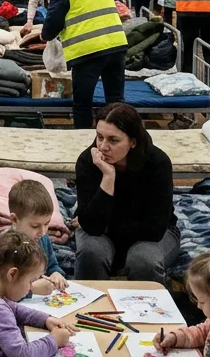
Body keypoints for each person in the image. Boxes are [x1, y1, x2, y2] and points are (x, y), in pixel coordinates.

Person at [74, 102, 178, 284]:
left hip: (152, 235)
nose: (103, 147)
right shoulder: (88, 161)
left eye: (113, 140)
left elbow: (155, 228)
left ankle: (148, 311)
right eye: (99, 137)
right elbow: (92, 227)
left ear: (133, 142)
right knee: (91, 253)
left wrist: (107, 226)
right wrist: (108, 176)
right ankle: (90, 308)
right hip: (105, 234)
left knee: (143, 261)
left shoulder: (158, 163)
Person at [42, 0, 127, 129]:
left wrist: (46, 35)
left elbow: (52, 25)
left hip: (87, 51)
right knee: (116, 101)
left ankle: (83, 146)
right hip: (116, 44)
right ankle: (119, 140)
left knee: (82, 104)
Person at [7, 179, 69, 295]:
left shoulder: (43, 239)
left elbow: (52, 265)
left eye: (46, 224)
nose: (42, 232)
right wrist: (32, 289)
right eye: (35, 226)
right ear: (14, 220)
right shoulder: (6, 248)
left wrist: (56, 273)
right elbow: (2, 292)